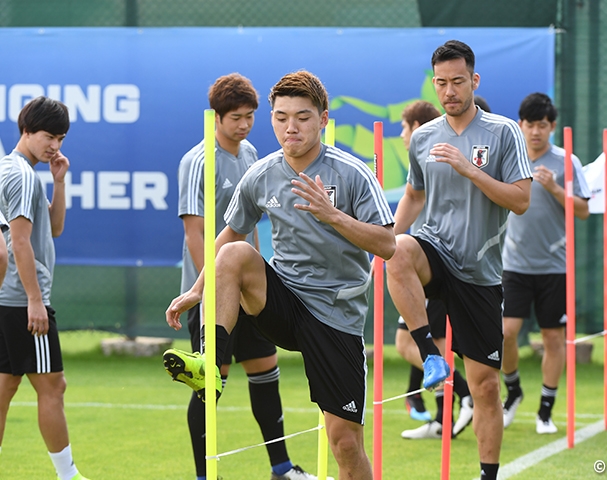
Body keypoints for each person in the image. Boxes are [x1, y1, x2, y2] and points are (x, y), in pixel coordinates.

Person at [165, 70, 395, 480]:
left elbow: (387, 245)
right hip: (284, 302)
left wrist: (331, 214)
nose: (291, 127)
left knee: (344, 442)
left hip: (334, 316)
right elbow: (228, 235)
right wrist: (195, 292)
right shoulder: (262, 172)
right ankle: (211, 366)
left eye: (303, 117)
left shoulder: (352, 172)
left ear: (323, 119)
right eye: (281, 116)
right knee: (237, 251)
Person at [384, 40, 532, 480]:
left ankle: (488, 473)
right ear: (434, 84)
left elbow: (521, 200)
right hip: (435, 251)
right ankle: (430, 355)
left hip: (480, 271)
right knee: (400, 251)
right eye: (442, 83)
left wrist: (471, 169)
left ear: (474, 81)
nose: (449, 91)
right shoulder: (425, 136)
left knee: (485, 386)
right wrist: (388, 237)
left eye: (458, 82)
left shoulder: (503, 132)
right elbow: (414, 193)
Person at [163, 73, 320, 480]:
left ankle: (281, 467)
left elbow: (249, 224)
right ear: (216, 117)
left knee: (266, 372)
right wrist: (209, 289)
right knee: (209, 382)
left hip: (250, 290)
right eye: (236, 117)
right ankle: (203, 475)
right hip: (209, 292)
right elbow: (195, 232)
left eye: (250, 116)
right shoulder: (198, 161)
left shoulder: (251, 153)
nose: (244, 125)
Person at [0, 96, 90, 480]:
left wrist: (58, 182)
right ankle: (68, 476)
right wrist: (35, 302)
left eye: (61, 138)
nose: (55, 145)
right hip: (22, 300)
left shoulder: (20, 171)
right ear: (26, 131)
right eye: (49, 136)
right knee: (53, 385)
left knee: (4, 388)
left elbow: (52, 228)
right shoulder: (19, 175)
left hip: (11, 298)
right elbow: (19, 243)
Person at [501, 92, 590, 434]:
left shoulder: (566, 162)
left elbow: (582, 211)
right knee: (506, 333)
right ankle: (513, 391)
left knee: (553, 339)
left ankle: (546, 411)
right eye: (530, 125)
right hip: (513, 264)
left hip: (555, 267)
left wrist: (554, 188)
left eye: (542, 125)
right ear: (520, 125)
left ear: (552, 127)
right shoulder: (511, 157)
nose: (536, 131)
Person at [394, 100, 474, 439]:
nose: (401, 135)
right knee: (419, 344)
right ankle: (443, 418)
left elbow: (420, 199)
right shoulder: (423, 161)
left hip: (435, 265)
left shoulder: (434, 158)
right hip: (416, 264)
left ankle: (466, 393)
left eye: (404, 128)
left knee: (418, 344)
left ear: (417, 128)